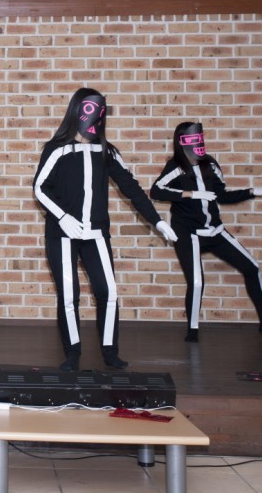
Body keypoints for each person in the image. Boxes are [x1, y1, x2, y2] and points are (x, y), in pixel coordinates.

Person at [33, 88, 177, 372]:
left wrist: (157, 220)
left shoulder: (106, 152)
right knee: (69, 295)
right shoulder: (56, 149)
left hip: (96, 233)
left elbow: (131, 187)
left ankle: (110, 351)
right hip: (63, 234)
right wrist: (62, 217)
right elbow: (39, 187)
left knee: (108, 291)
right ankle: (72, 353)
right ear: (77, 111)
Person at [151, 122, 262, 344]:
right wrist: (191, 194)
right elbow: (156, 191)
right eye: (193, 140)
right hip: (188, 233)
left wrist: (253, 192)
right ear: (182, 142)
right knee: (197, 282)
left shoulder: (211, 165)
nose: (198, 145)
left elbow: (221, 196)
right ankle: (192, 331)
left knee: (252, 267)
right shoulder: (175, 166)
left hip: (214, 230)